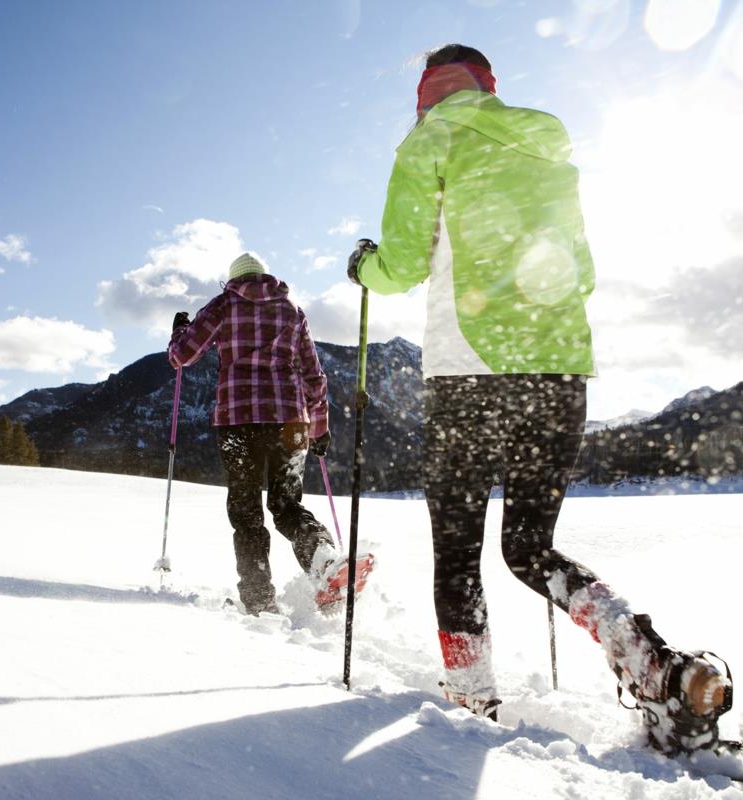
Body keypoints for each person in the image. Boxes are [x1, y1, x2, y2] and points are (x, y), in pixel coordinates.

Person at [347, 44, 732, 753]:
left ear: (427, 93)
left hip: (468, 376)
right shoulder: (547, 141)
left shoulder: (429, 142)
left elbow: (399, 265)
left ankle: (469, 694)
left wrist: (364, 265)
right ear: (490, 86)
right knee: (529, 546)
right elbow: (578, 270)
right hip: (557, 374)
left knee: (458, 550)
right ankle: (655, 666)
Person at [168, 252, 338, 616]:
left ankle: (259, 600)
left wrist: (179, 330)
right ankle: (324, 559)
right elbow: (313, 373)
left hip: (238, 421)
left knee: (247, 513)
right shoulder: (291, 310)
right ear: (265, 276)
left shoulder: (223, 305)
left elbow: (183, 356)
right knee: (286, 505)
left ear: (233, 279)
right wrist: (320, 425)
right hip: (291, 420)